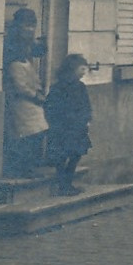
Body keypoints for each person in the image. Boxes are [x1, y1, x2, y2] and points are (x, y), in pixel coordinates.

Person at [2, 9, 49, 178]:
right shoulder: (13, 48)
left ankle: (29, 167)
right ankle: (22, 168)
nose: (30, 29)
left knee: (36, 130)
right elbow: (18, 84)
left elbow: (39, 51)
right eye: (26, 25)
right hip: (18, 99)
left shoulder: (27, 46)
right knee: (25, 133)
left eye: (32, 25)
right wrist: (35, 95)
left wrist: (42, 43)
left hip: (30, 99)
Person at [43, 54, 93, 196]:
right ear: (73, 68)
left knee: (76, 154)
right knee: (61, 156)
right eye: (82, 69)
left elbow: (86, 105)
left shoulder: (81, 87)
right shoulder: (58, 87)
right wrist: (57, 122)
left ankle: (67, 183)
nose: (84, 72)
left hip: (78, 127)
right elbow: (50, 106)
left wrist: (87, 119)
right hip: (63, 128)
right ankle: (63, 186)